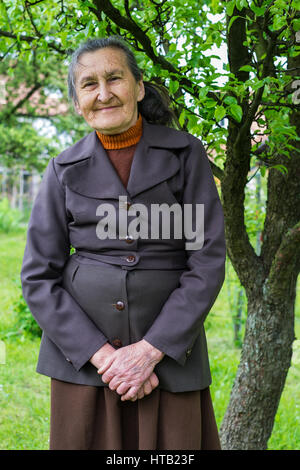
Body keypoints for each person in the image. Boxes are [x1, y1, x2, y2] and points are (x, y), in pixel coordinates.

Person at [20, 36, 226, 450]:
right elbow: (38, 277)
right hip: (86, 362)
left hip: (171, 354)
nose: (104, 93)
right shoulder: (61, 169)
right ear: (77, 102)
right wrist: (105, 358)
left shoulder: (186, 155)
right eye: (89, 84)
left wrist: (150, 351)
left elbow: (206, 261)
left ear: (138, 87)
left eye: (115, 78)